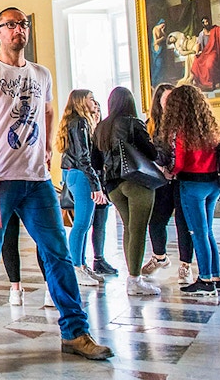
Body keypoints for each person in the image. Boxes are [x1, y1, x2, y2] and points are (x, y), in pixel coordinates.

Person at [0, 7, 112, 362]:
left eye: (22, 24)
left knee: (58, 254)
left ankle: (75, 332)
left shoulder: (41, 73)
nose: (18, 30)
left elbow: (49, 110)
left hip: (36, 179)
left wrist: (49, 146)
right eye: (10, 25)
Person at [158, 85, 220, 296]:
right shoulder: (209, 128)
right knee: (208, 232)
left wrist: (169, 172)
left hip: (192, 185)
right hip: (213, 184)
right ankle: (217, 278)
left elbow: (179, 162)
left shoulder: (182, 131)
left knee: (198, 233)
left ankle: (205, 280)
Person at [93, 87, 159, 295]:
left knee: (128, 228)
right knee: (138, 230)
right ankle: (135, 279)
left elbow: (95, 161)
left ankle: (133, 276)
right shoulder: (133, 123)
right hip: (136, 181)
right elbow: (152, 153)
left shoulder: (101, 127)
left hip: (113, 186)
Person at [144, 84, 195, 285]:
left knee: (183, 223)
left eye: (171, 99)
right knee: (156, 220)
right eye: (164, 99)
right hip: (161, 180)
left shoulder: (186, 122)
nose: (168, 103)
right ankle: (160, 257)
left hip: (182, 178)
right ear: (158, 102)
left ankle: (185, 266)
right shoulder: (151, 124)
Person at [57, 89, 108, 287]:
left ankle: (82, 264)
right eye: (91, 99)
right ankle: (76, 267)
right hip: (81, 175)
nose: (95, 102)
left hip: (75, 174)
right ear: (81, 102)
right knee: (81, 224)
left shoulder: (76, 122)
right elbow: (83, 157)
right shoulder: (80, 123)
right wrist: (95, 185)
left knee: (84, 224)